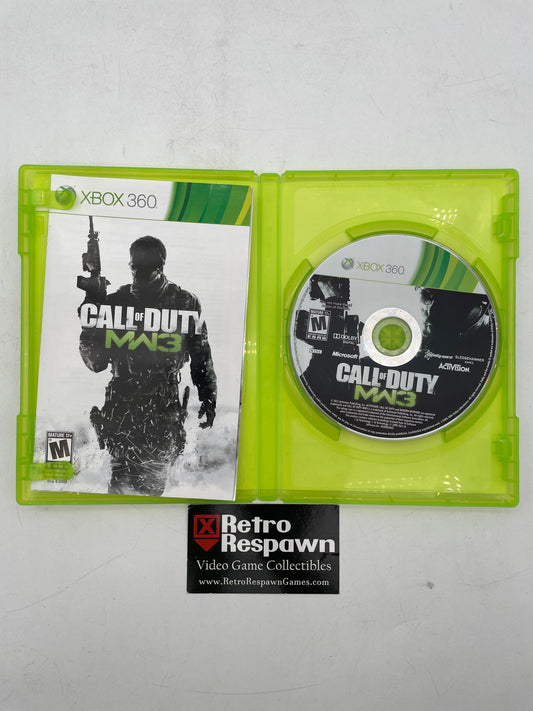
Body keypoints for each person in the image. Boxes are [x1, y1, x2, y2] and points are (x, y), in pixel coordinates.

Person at [78, 235, 217, 496]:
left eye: (145, 268)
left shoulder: (185, 303)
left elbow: (201, 357)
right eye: (134, 267)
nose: (137, 274)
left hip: (161, 417)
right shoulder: (115, 302)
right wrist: (91, 318)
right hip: (123, 416)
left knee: (151, 494)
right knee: (119, 493)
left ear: (160, 266)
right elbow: (95, 363)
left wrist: (209, 397)